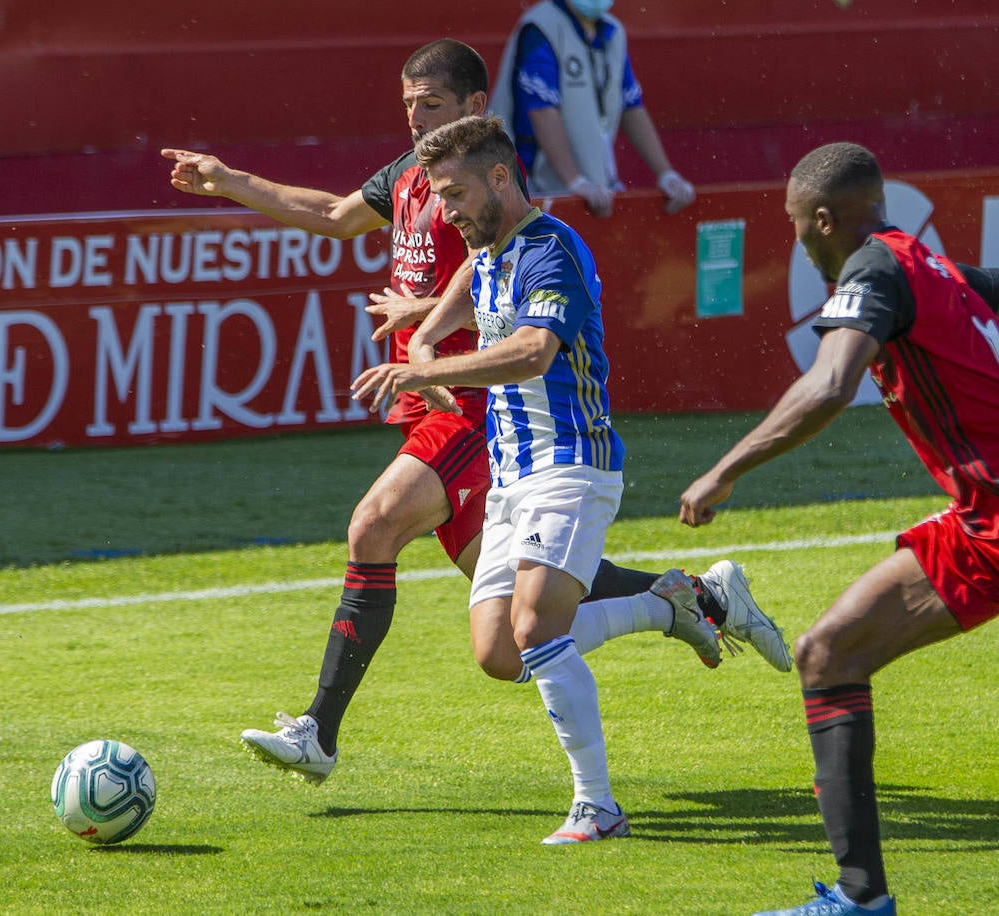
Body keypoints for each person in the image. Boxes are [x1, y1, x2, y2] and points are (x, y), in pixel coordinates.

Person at [162, 39, 787, 788]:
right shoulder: (408, 174)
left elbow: (499, 254)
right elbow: (331, 215)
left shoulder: (486, 176)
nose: (416, 118)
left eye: (430, 103)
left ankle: (318, 731)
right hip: (435, 396)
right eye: (408, 105)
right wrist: (228, 180)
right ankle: (694, 597)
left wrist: (423, 323)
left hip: (474, 405)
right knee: (513, 626)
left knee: (374, 523)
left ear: (474, 109)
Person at [679, 142, 999, 914]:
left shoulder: (874, 270)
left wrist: (725, 469)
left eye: (795, 226)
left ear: (822, 220)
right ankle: (861, 900)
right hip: (984, 523)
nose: (794, 240)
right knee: (828, 652)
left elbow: (831, 384)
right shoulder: (940, 268)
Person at [353, 113, 673, 843]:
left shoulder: (551, 250)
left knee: (535, 627)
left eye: (457, 193)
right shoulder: (492, 250)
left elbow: (532, 351)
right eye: (438, 198)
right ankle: (668, 603)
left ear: (502, 178)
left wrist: (424, 363)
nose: (448, 212)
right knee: (501, 652)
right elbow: (474, 277)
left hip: (571, 463)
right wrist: (431, 323)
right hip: (512, 475)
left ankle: (598, 806)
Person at [490, 0, 696, 218]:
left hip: (594, 190)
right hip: (536, 191)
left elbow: (631, 104)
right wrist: (575, 181)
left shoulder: (612, 32)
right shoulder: (541, 27)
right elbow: (541, 109)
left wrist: (666, 173)